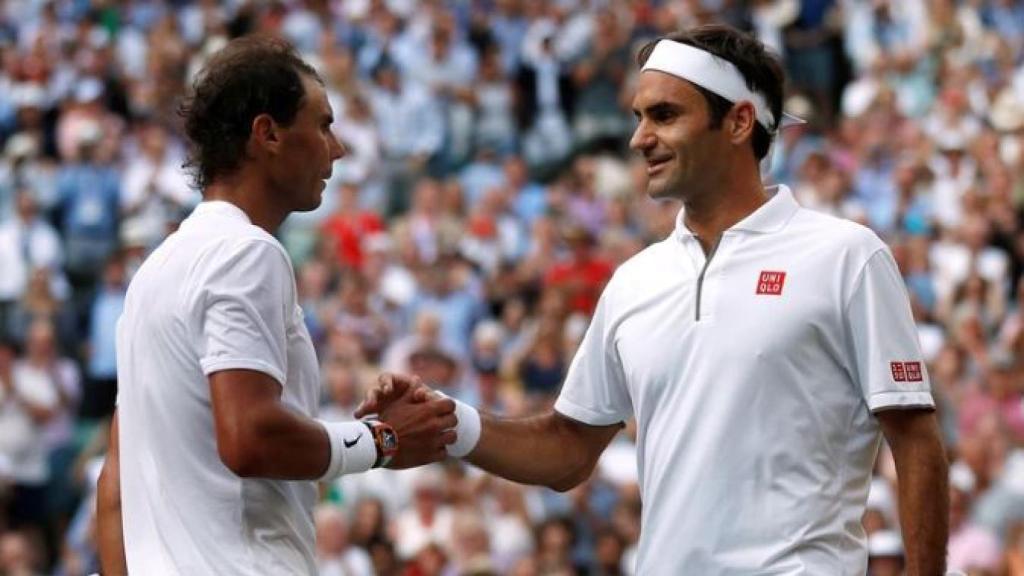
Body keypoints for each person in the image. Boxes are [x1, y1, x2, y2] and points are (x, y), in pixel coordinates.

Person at [359, 25, 950, 575]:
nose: (641, 138)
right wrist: (448, 421)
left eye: (665, 115)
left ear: (740, 122)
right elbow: (567, 451)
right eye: (640, 117)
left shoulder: (847, 255)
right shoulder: (634, 281)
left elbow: (915, 442)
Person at [96, 36, 457, 576]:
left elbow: (114, 491)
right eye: (323, 125)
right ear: (267, 134)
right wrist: (383, 441)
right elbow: (249, 437)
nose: (337, 149)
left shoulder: (152, 274)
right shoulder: (247, 252)